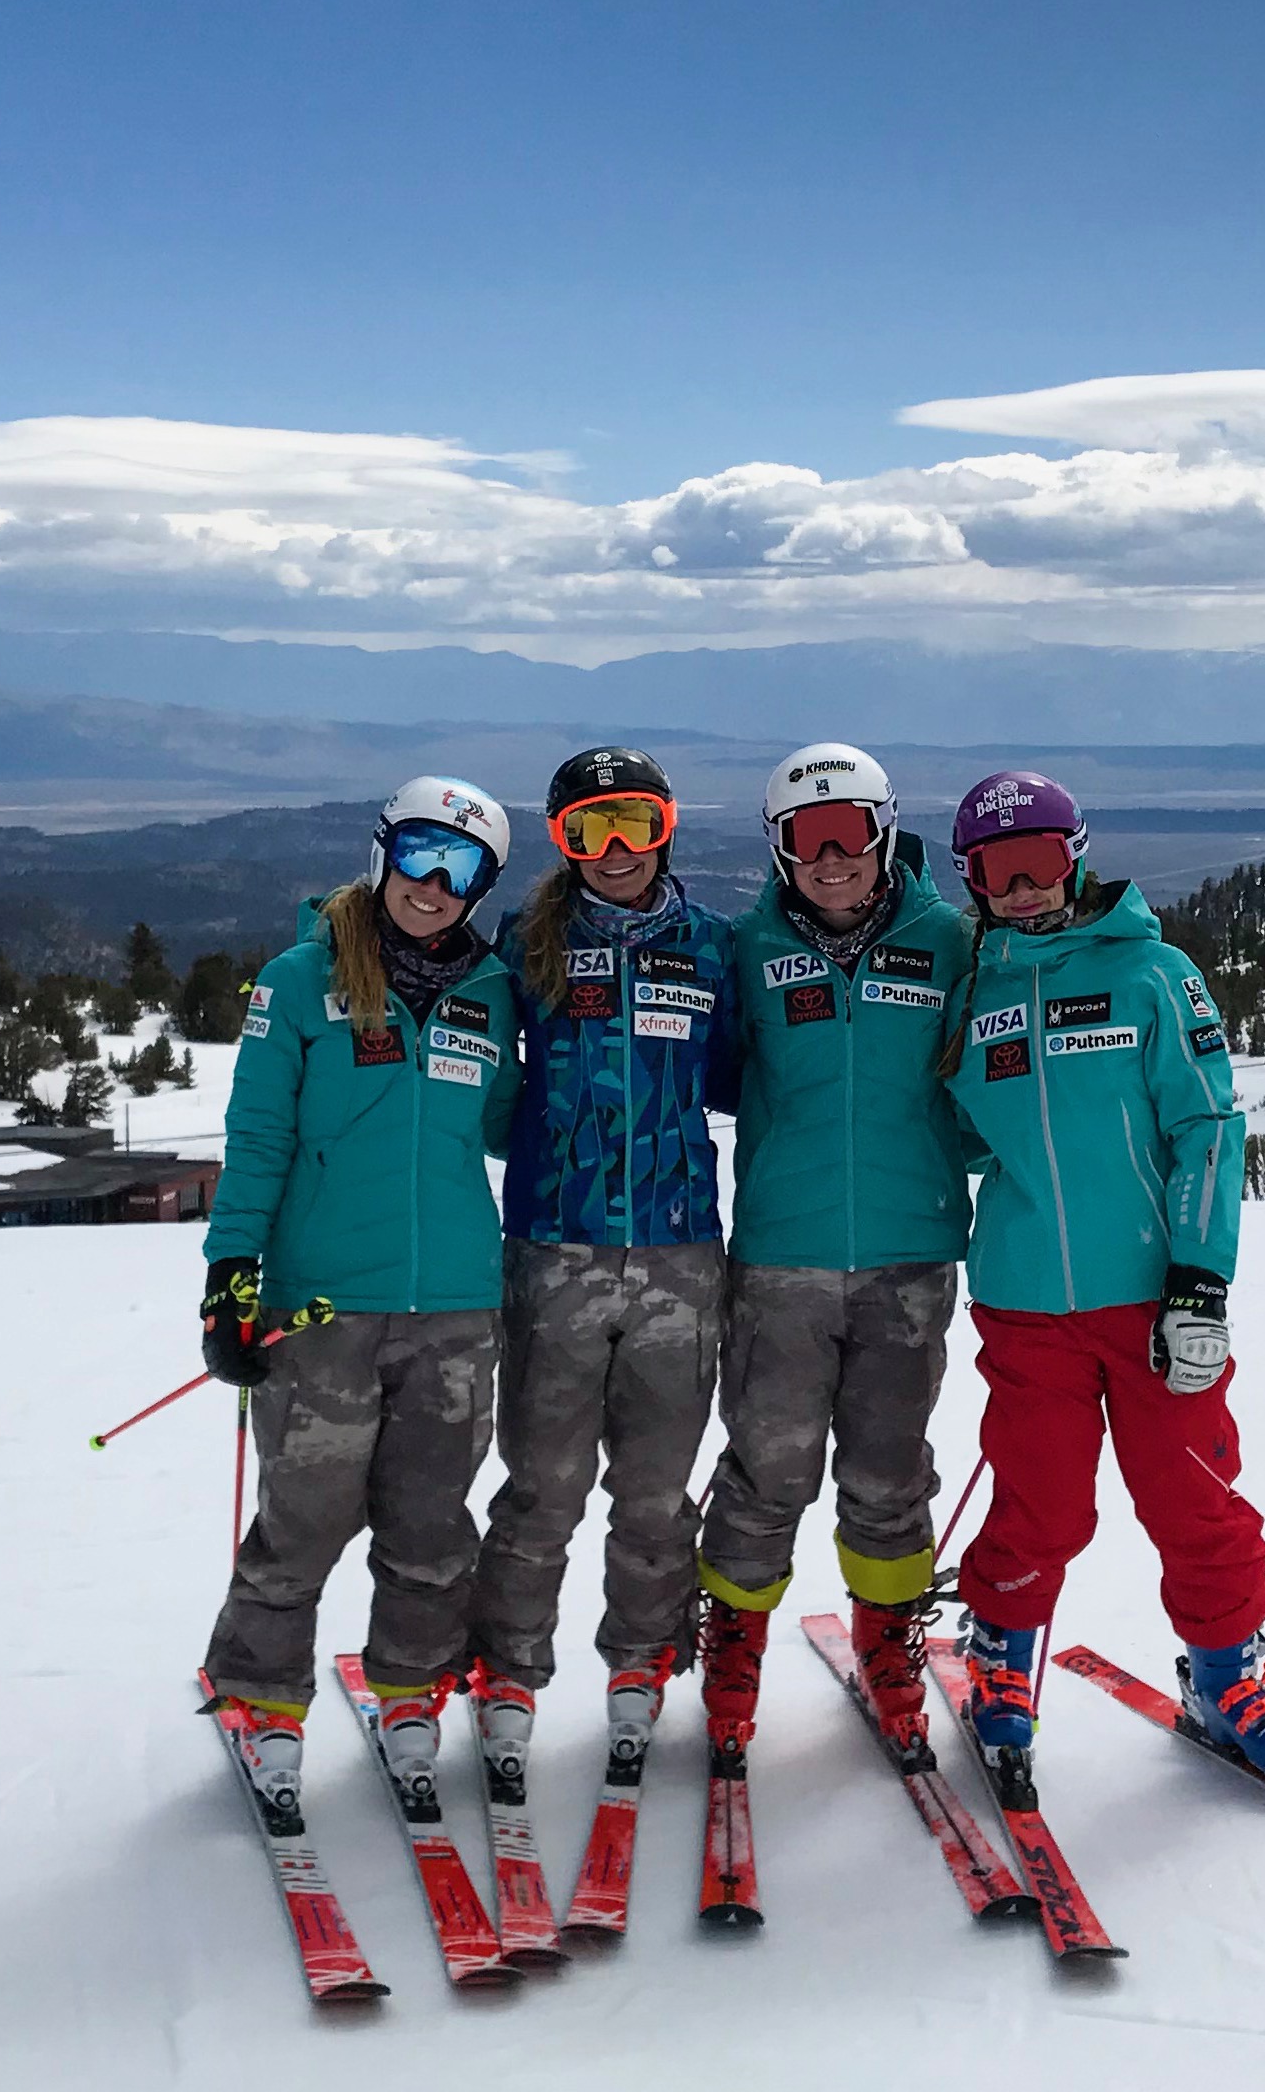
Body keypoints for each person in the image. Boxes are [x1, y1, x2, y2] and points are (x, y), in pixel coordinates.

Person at [935, 770, 1265, 1807]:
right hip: (1026, 1301)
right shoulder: (972, 998)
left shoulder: (1152, 974)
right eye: (995, 870)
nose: (1021, 888)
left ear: (1076, 856)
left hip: (1153, 1298)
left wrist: (1199, 1282)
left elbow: (1206, 1125)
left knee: (1192, 1496)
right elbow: (955, 1137)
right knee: (1041, 1500)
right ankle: (1001, 1661)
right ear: (970, 881)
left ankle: (1227, 1682)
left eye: (1039, 863)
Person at [198, 777, 521, 1815]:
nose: (433, 883)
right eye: (420, 852)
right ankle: (260, 1696)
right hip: (321, 1304)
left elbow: (510, 1123)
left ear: (483, 887)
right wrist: (230, 1272)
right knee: (304, 1513)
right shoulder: (299, 982)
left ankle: (410, 1689)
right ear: (382, 850)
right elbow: (257, 1137)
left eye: (461, 867)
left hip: (458, 1301)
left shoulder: (494, 990)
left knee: (431, 1522)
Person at [689, 744, 976, 1771]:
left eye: (850, 830)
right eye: (807, 838)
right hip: (782, 1258)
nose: (832, 856)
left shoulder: (951, 940)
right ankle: (733, 1645)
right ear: (778, 846)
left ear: (886, 831)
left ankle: (888, 1646)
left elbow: (986, 1085)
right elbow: (714, 1073)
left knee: (890, 1471)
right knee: (767, 1468)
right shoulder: (746, 947)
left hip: (910, 1254)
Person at [467, 748, 740, 1783]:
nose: (614, 850)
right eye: (588, 830)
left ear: (665, 824)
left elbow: (736, 1079)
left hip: (677, 1253)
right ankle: (508, 1673)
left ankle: (641, 1664)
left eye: (631, 822)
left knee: (657, 1490)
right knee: (540, 1486)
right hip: (554, 1247)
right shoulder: (524, 945)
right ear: (560, 842)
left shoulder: (712, 945)